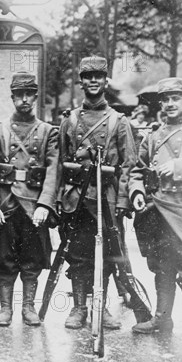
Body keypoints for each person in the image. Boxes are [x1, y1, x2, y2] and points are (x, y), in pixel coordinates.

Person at [57, 56, 137, 330]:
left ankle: (100, 308)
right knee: (78, 254)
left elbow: (128, 164)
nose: (93, 81)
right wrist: (59, 199)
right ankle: (79, 308)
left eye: (98, 76)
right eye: (87, 76)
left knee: (107, 255)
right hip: (77, 197)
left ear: (105, 81)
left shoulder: (119, 121)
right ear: (81, 82)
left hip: (108, 198)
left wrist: (124, 201)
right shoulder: (69, 121)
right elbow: (60, 162)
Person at [129, 77, 182, 348]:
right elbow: (136, 171)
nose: (170, 104)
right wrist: (137, 192)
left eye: (176, 98)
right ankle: (162, 319)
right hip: (157, 210)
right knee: (162, 267)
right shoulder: (153, 135)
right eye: (166, 99)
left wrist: (179, 165)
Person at [0, 72, 59, 327]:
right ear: (12, 97)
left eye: (29, 94)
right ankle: (5, 308)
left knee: (32, 258)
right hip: (6, 203)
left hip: (33, 205)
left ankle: (28, 307)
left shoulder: (48, 132)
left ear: (35, 97)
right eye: (19, 95)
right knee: (2, 258)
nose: (24, 99)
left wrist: (45, 205)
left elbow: (53, 171)